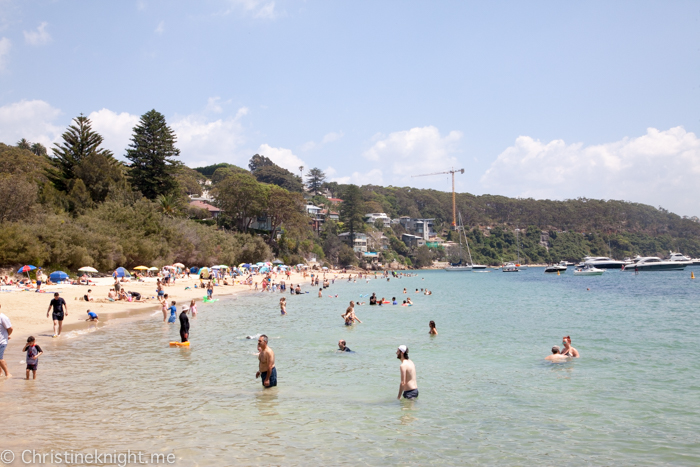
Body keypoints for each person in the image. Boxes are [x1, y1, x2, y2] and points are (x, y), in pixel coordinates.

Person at [0, 305, 13, 378]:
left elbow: (10, 328)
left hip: (2, 341)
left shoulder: (3, 317)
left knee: (0, 358)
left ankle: (7, 373)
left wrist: (6, 336)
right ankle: (0, 373)